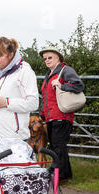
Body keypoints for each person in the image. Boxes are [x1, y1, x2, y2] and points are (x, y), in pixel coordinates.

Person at [39, 46, 84, 182]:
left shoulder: (65, 71)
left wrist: (61, 85)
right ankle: (64, 174)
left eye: (50, 57)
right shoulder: (48, 75)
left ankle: (61, 176)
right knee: (56, 146)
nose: (47, 60)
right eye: (45, 58)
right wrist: (42, 115)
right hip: (51, 117)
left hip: (62, 116)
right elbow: (47, 98)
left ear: (58, 57)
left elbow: (79, 86)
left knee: (58, 146)